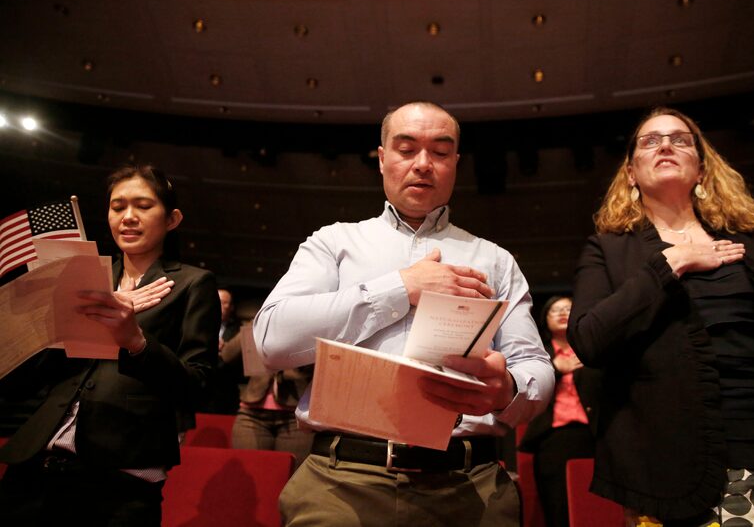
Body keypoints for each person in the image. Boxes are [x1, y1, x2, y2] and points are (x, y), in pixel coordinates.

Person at [254, 101, 555, 526]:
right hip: (340, 484)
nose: (423, 164)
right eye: (406, 148)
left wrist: (507, 389)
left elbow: (537, 368)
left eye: (440, 151)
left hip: (471, 487)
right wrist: (402, 287)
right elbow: (271, 341)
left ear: (455, 163)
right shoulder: (334, 243)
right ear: (382, 159)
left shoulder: (495, 260)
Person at [567, 106, 754, 526]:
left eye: (680, 139)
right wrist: (673, 262)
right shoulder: (609, 249)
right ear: (631, 173)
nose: (666, 145)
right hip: (674, 476)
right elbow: (589, 338)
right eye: (650, 141)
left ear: (702, 170)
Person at [0, 164, 220, 526]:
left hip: (120, 473)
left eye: (143, 206)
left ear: (172, 218)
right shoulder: (83, 277)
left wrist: (135, 341)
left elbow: (195, 385)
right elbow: (24, 381)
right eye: (118, 207)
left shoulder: (192, 284)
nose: (128, 217)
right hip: (37, 462)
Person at [519, 296, 600, 526]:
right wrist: (555, 368)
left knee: (594, 507)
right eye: (555, 310)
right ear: (545, 320)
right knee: (557, 507)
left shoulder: (593, 351)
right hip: (552, 439)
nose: (563, 312)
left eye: (568, 308)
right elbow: (523, 386)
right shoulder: (537, 354)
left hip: (592, 437)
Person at [221, 326, 313, 464]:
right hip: (251, 414)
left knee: (288, 480)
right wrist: (257, 322)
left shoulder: (310, 323)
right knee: (249, 478)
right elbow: (227, 355)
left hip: (294, 417)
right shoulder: (261, 322)